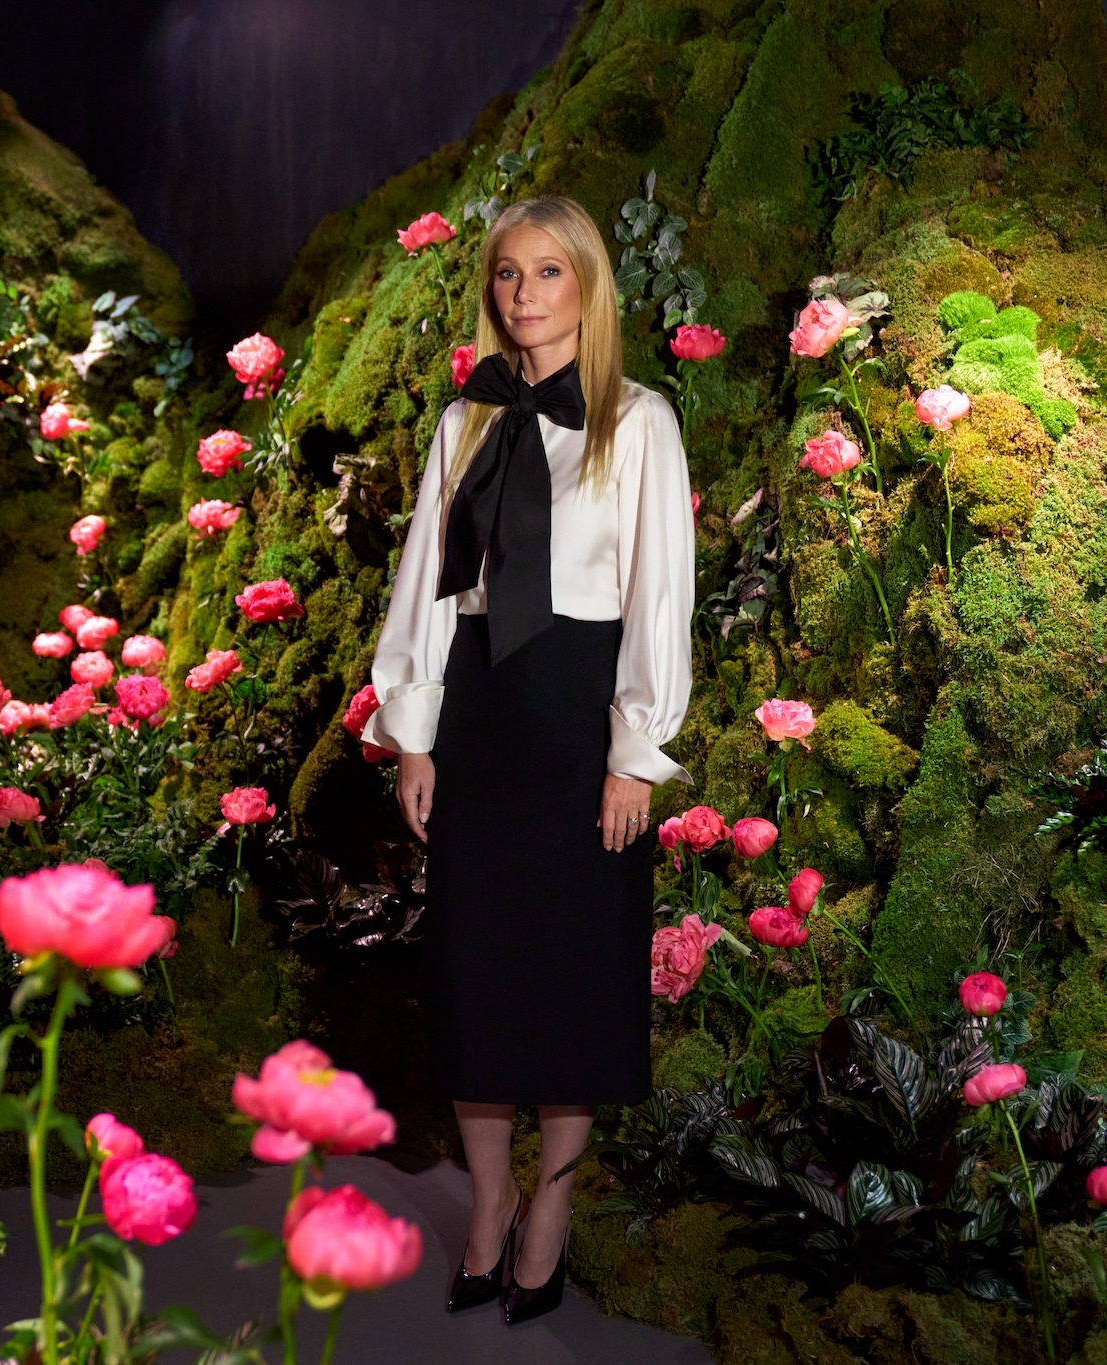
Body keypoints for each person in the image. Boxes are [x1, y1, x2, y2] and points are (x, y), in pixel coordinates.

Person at [360, 193, 695, 1325]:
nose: (522, 295)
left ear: (588, 288)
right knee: (475, 971)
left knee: (571, 969)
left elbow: (659, 596)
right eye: (506, 274)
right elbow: (425, 585)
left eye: (547, 273)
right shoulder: (464, 420)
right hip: (478, 713)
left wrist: (633, 754)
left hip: (576, 715)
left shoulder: (637, 419)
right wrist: (415, 731)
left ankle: (551, 1205)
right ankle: (489, 1202)